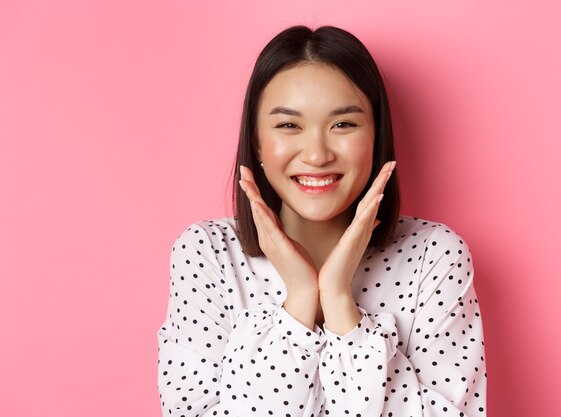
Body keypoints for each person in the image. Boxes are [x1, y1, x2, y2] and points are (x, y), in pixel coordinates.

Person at [157, 25, 487, 417]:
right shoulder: (207, 254)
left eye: (343, 124)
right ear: (258, 141)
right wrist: (299, 300)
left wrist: (339, 301)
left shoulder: (434, 256)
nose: (316, 154)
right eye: (288, 125)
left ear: (376, 137)